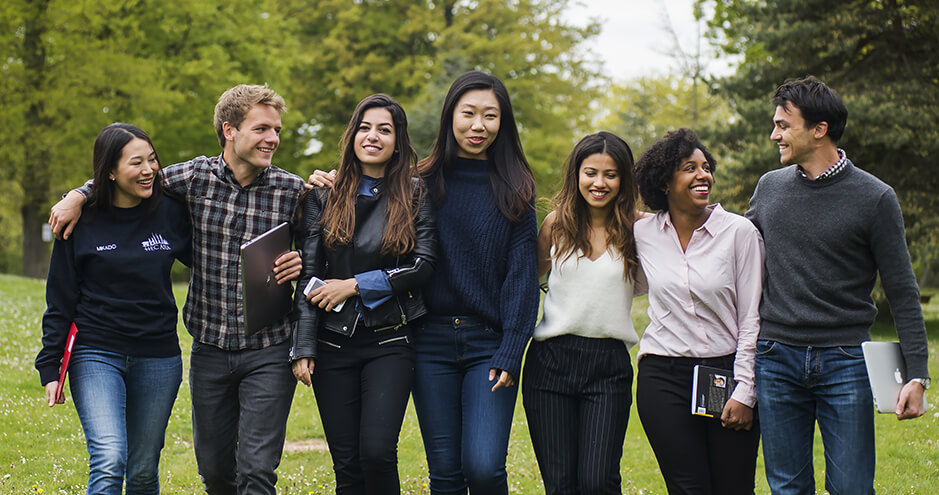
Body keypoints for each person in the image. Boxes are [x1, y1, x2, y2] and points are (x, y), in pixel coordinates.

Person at [48, 84, 306, 495]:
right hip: (210, 349)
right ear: (229, 130)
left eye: (277, 130)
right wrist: (79, 195)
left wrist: (302, 262)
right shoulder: (191, 178)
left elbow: (325, 245)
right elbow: (127, 176)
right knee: (216, 472)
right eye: (261, 129)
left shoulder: (294, 192)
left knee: (256, 471)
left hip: (268, 347)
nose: (272, 138)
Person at [309, 71, 539, 494]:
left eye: (490, 116)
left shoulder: (517, 192)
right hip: (427, 339)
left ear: (503, 123)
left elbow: (522, 280)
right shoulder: (417, 183)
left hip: (488, 344)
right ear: (450, 116)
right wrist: (331, 181)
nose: (478, 126)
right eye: (468, 113)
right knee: (446, 474)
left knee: (485, 467)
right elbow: (362, 208)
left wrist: (511, 349)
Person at [747, 76, 930, 494]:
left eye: (782, 125)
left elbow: (902, 290)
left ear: (819, 129)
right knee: (787, 488)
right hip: (776, 357)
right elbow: (735, 256)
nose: (774, 134)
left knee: (851, 488)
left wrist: (917, 374)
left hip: (846, 360)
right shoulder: (768, 188)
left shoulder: (875, 197)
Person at [290, 94, 437, 494]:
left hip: (391, 340)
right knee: (347, 465)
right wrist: (303, 346)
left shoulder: (416, 193)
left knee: (376, 452)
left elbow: (423, 266)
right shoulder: (324, 193)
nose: (372, 136)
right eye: (365, 127)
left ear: (398, 141)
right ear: (353, 134)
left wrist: (355, 285)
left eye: (384, 130)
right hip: (332, 342)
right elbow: (309, 273)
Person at [36, 123, 192, 494]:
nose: (149, 170)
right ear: (109, 170)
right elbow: (60, 298)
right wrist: (50, 366)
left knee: (141, 470)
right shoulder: (82, 220)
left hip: (158, 356)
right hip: (96, 352)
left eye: (152, 160)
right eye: (136, 162)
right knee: (109, 458)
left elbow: (211, 256)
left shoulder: (170, 211)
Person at [633, 128, 764, 494]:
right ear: (664, 182)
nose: (703, 175)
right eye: (689, 168)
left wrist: (745, 391)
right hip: (663, 375)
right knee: (687, 487)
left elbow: (752, 318)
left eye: (706, 167)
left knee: (733, 487)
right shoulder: (644, 234)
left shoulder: (740, 233)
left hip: (725, 372)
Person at [522, 132, 642, 494]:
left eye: (611, 174)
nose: (599, 183)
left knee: (597, 481)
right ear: (576, 174)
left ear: (624, 180)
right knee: (560, 485)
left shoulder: (640, 229)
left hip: (608, 367)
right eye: (591, 172)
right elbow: (525, 285)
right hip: (550, 363)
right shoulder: (555, 225)